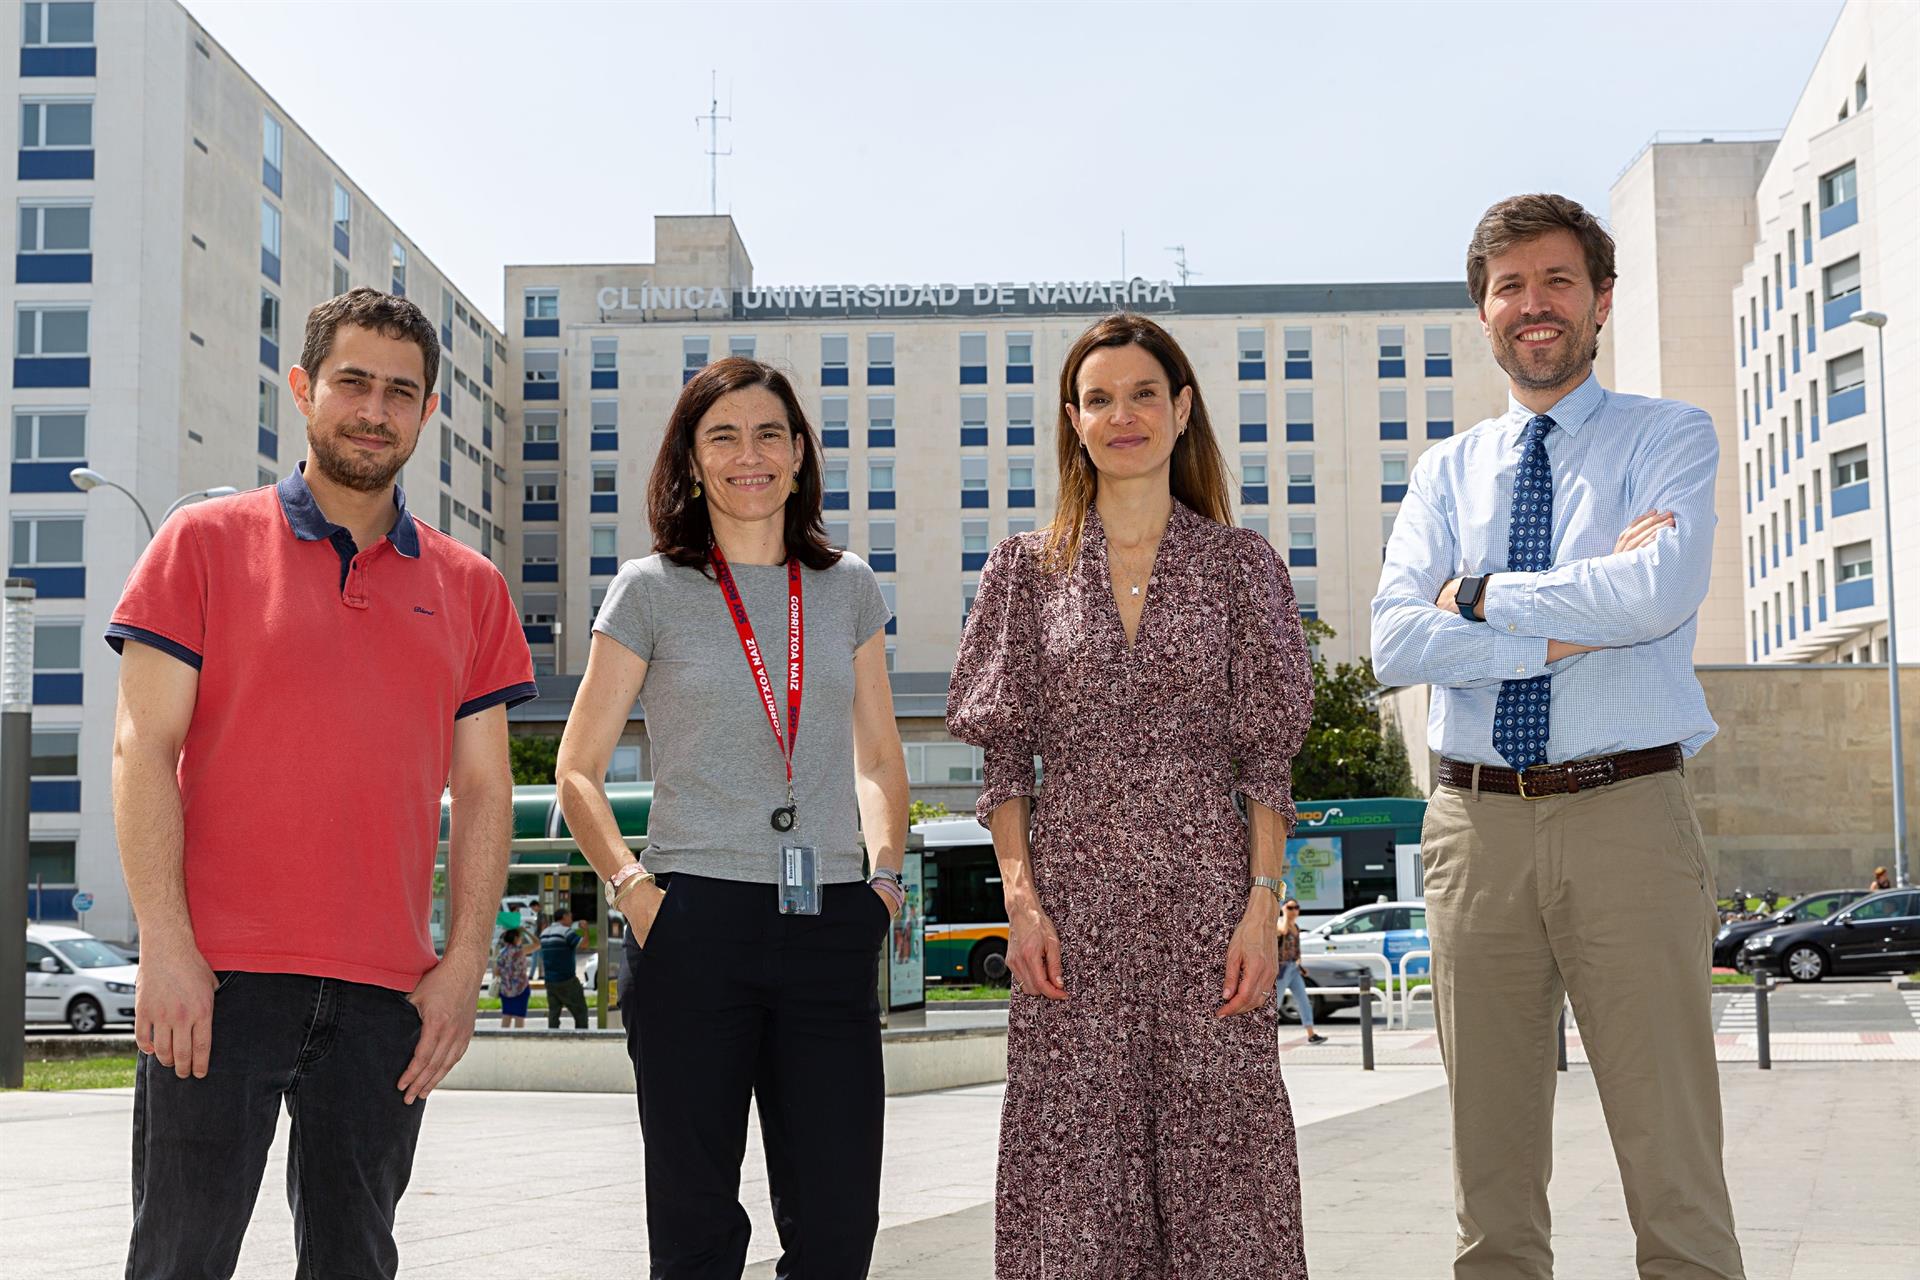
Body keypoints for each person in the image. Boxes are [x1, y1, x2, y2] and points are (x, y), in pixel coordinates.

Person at [106, 288, 533, 1277]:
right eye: (352, 382)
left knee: (356, 1261)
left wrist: (464, 961)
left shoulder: (473, 588)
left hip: (388, 992)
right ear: (302, 388)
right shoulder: (202, 545)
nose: (374, 409)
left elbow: (484, 791)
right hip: (217, 977)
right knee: (178, 1256)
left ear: (428, 412)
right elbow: (140, 748)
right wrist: (166, 943)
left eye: (400, 390)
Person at [1371, 194, 1745, 1280]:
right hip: (1473, 829)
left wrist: (1477, 595)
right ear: (1483, 314)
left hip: (1627, 815)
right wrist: (1552, 636)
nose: (1533, 305)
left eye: (1557, 281)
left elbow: (1658, 590)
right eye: (1509, 287)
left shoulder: (1668, 435)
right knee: (1488, 1182)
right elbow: (1396, 639)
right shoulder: (1444, 470)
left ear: (1602, 300)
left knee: (1673, 1162)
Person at [947, 313, 1314, 1277]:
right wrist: (1020, 905)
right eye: (1100, 398)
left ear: (1182, 408)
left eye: (1144, 393)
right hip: (1070, 923)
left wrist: (1262, 906)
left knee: (1227, 1187)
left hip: (1210, 918)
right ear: (1073, 421)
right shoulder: (1023, 573)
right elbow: (1004, 761)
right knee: (1073, 1192)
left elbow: (1266, 764)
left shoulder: (1244, 569)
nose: (1124, 415)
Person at [555, 356, 911, 1277]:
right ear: (692, 458)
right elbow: (577, 771)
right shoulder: (652, 589)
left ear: (798, 456)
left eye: (768, 435)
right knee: (696, 1229)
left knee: (837, 1232)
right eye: (723, 436)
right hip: (692, 920)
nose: (748, 455)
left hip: (831, 915)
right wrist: (636, 893)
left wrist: (883, 879)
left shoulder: (848, 589)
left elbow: (877, 756)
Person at [1277, 898, 1326, 1044]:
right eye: (1290, 908)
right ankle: (1263, 1034)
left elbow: (1297, 950)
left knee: (1303, 1000)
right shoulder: (1280, 923)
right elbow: (1282, 932)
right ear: (1284, 908)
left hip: (1293, 968)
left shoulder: (1296, 927)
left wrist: (1300, 966)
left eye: (1296, 908)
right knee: (1276, 1003)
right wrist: (1285, 915)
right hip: (1281, 968)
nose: (1294, 911)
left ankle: (1311, 1034)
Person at [538, 907, 590, 1030]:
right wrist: (586, 930)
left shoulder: (544, 933)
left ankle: (552, 1037)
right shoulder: (566, 932)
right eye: (570, 916)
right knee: (580, 1011)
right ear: (564, 917)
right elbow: (584, 945)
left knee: (554, 1013)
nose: (572, 920)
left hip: (550, 980)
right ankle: (582, 1037)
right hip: (567, 980)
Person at [494, 926, 536, 1028]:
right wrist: (526, 931)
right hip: (521, 988)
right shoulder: (521, 950)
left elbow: (496, 972)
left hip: (505, 989)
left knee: (506, 1016)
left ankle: (503, 1040)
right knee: (519, 1017)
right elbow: (538, 944)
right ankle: (518, 1040)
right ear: (516, 938)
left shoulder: (501, 953)